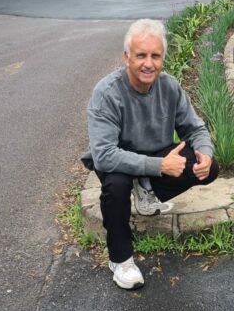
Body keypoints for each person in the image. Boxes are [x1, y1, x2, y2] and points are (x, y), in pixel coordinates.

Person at [81, 19, 220, 290]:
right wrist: (158, 166)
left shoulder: (169, 87)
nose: (148, 63)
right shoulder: (107, 94)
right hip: (118, 159)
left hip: (154, 154)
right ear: (127, 57)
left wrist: (205, 153)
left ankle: (145, 188)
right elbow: (104, 156)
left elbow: (195, 128)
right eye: (141, 55)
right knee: (117, 186)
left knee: (209, 167)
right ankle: (120, 260)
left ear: (163, 58)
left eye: (155, 56)